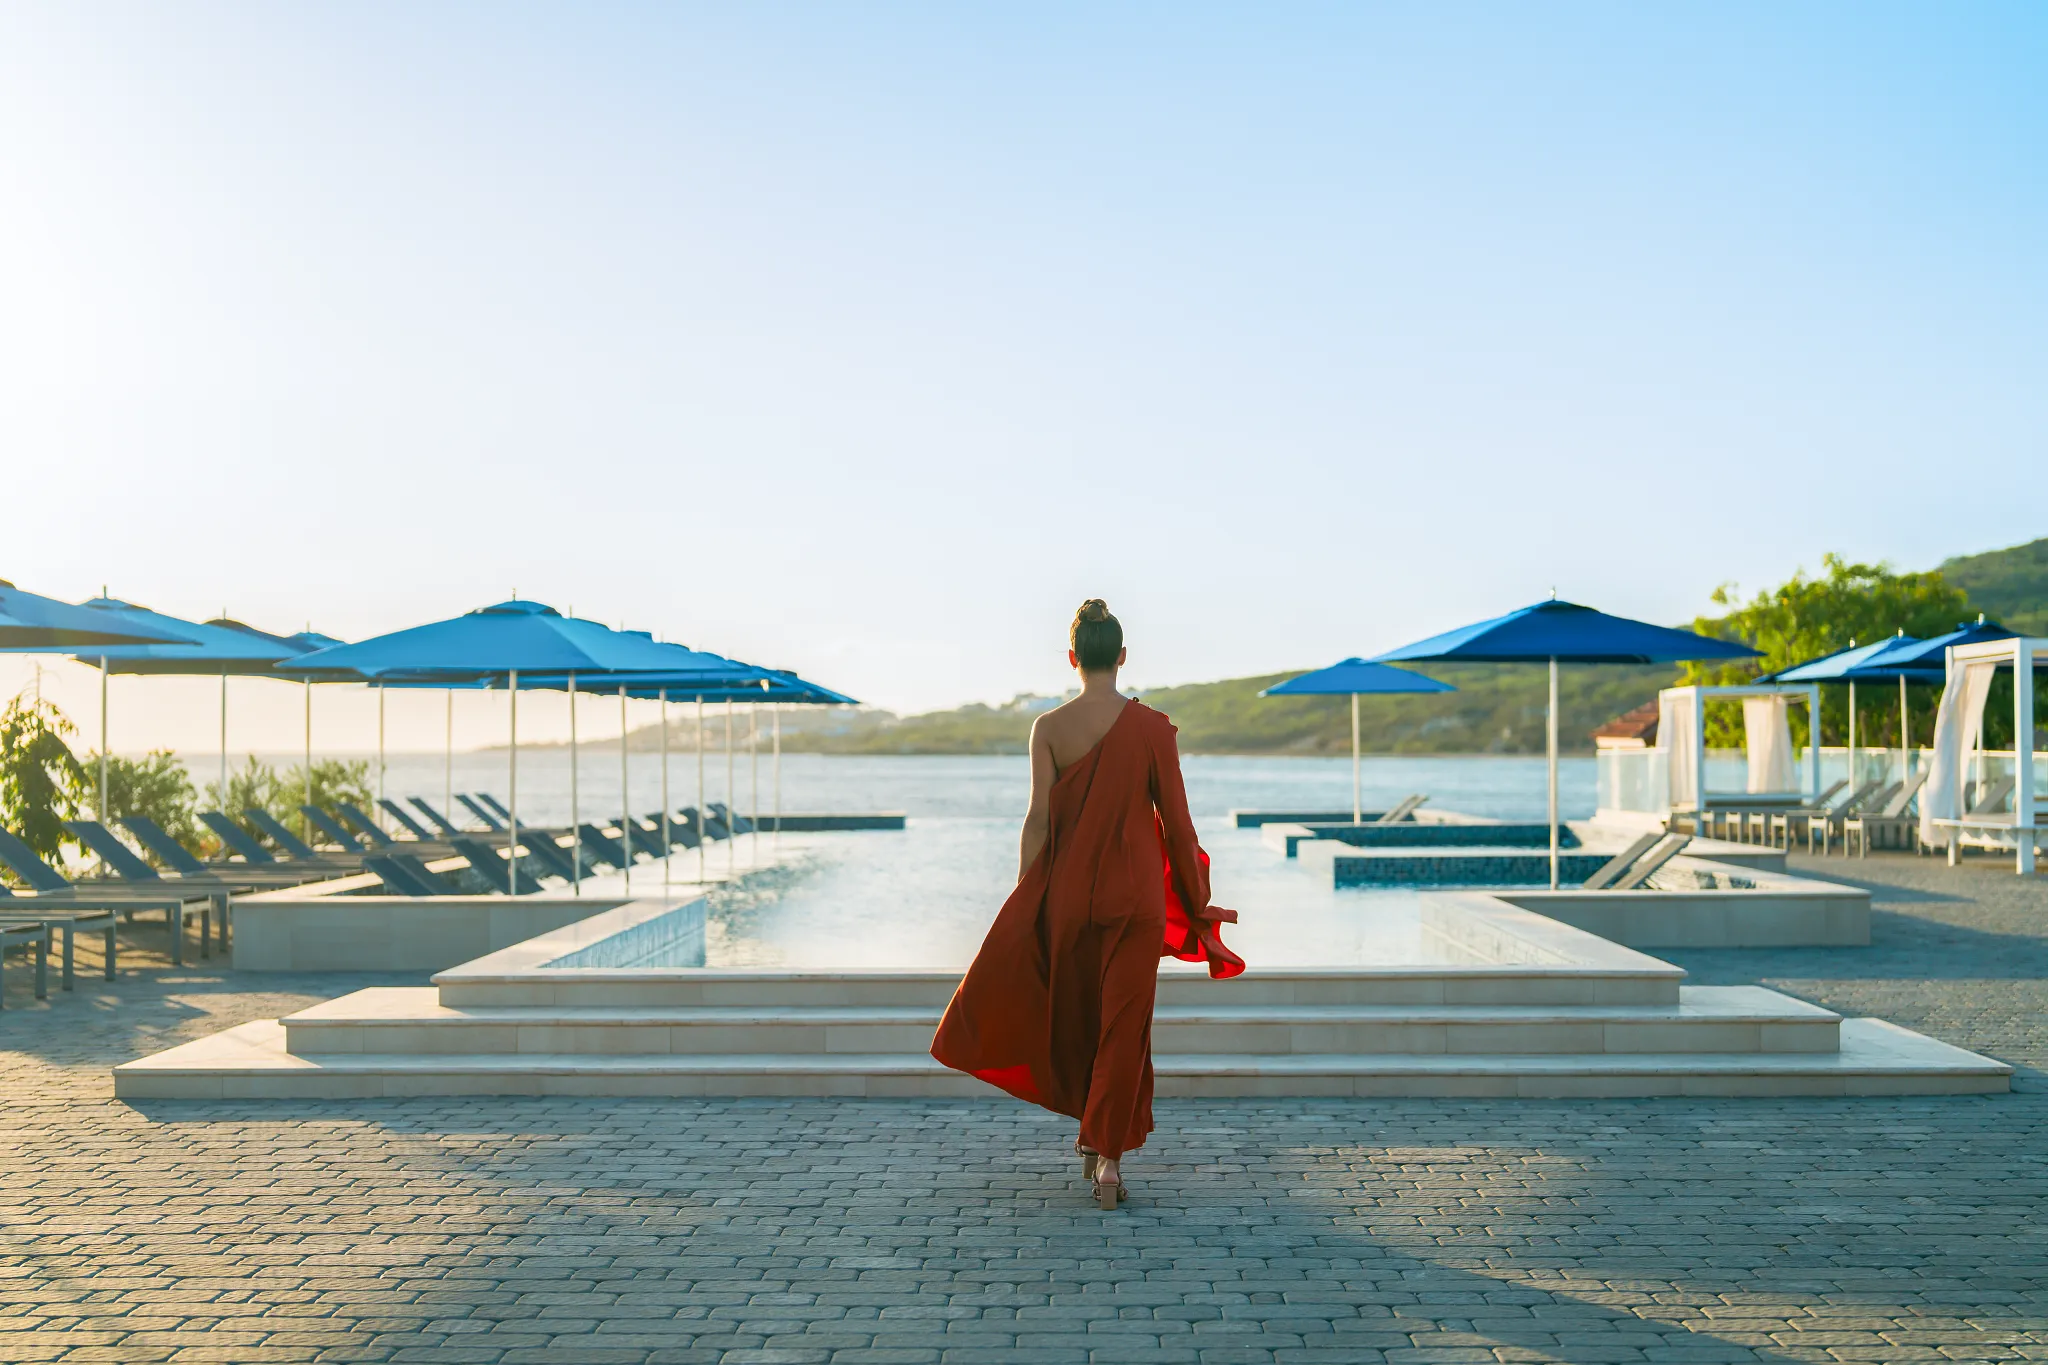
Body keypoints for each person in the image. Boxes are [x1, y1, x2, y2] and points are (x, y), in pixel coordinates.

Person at [931, 598, 1243, 1210]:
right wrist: (1198, 900)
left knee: (1075, 1016)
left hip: (1069, 898)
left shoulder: (1048, 729)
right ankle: (1107, 1160)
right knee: (1123, 1028)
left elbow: (1038, 821)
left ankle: (1091, 1140)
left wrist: (1028, 897)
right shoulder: (1154, 728)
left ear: (1073, 659)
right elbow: (1178, 828)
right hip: (1136, 903)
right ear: (1121, 658)